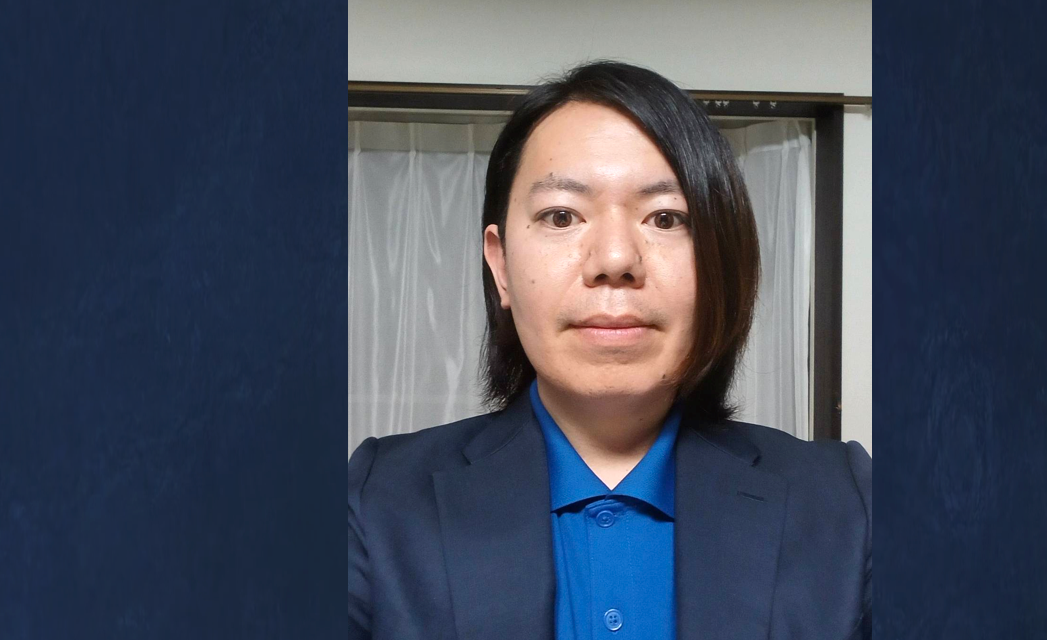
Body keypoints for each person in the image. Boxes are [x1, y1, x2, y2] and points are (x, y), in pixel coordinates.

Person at [347, 60, 871, 640]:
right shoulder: (378, 501)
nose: (616, 259)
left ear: (722, 261)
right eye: (561, 216)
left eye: (666, 218)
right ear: (501, 265)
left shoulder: (847, 506)